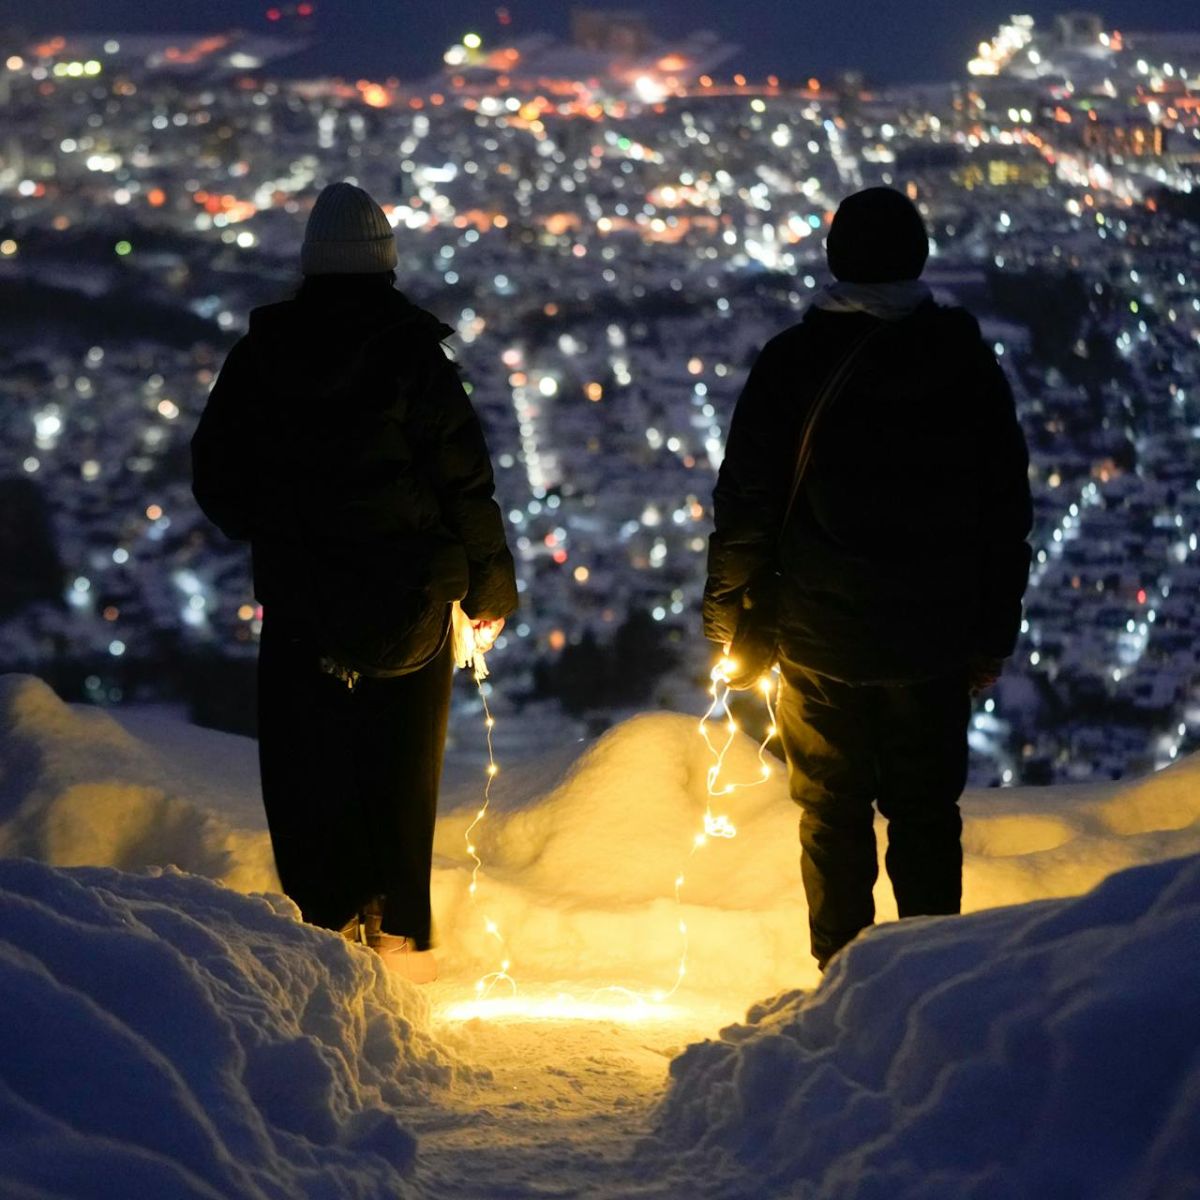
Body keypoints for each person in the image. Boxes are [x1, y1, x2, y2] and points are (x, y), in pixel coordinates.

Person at [192, 181, 517, 981]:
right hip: (413, 597)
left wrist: (279, 524)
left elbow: (216, 476)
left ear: (310, 264)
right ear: (386, 264)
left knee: (310, 774)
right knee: (399, 776)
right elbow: (464, 484)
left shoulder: (261, 356)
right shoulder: (416, 357)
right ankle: (398, 938)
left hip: (305, 598)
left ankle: (328, 938)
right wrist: (489, 590)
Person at [703, 187, 1032, 972]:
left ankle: (843, 982)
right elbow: (1004, 510)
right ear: (917, 257)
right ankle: (928, 982)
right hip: (936, 636)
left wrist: (727, 614)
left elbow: (746, 503)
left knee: (831, 814)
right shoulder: (965, 364)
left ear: (835, 259)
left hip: (822, 634)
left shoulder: (793, 363)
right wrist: (992, 634)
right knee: (925, 815)